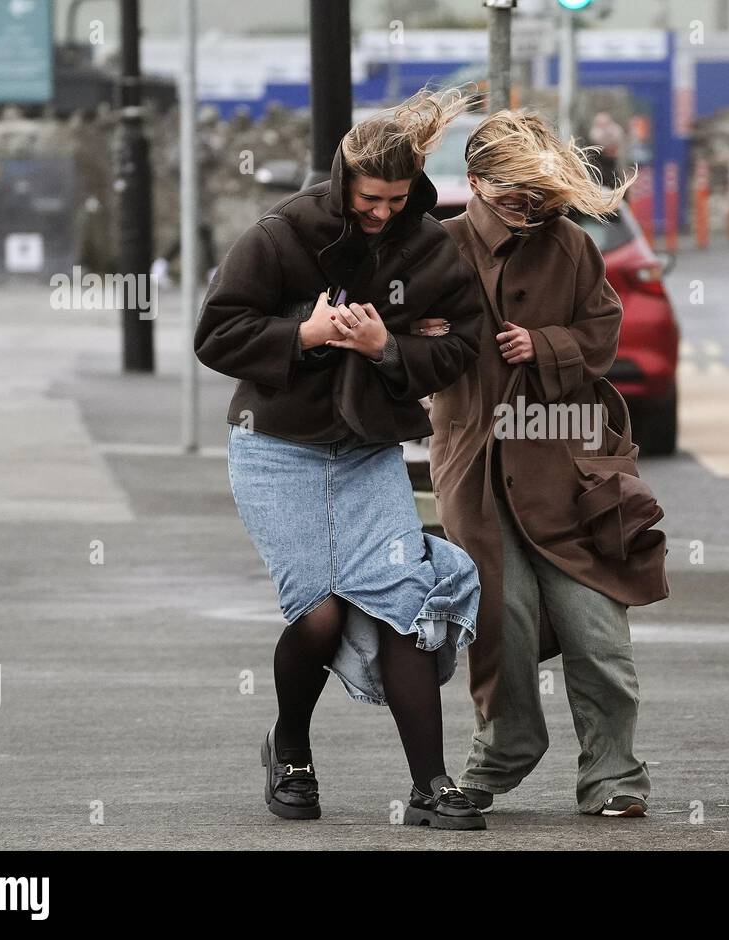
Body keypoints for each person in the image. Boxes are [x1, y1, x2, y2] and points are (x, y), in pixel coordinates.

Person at [194, 88, 488, 831]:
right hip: (275, 450)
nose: (383, 211)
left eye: (395, 198)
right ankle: (289, 746)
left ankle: (431, 786)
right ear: (341, 181)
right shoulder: (283, 232)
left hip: (366, 451)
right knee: (320, 616)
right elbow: (217, 332)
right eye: (369, 198)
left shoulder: (428, 245)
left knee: (403, 608)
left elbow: (460, 344)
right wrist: (306, 334)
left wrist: (387, 346)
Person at [419, 111, 669, 818]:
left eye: (538, 197)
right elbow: (401, 349)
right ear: (473, 183)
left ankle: (614, 776)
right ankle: (500, 756)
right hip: (478, 469)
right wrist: (419, 334)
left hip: (569, 468)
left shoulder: (571, 248)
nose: (528, 212)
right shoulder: (439, 248)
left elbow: (603, 329)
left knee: (598, 632)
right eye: (513, 198)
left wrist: (548, 346)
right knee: (504, 624)